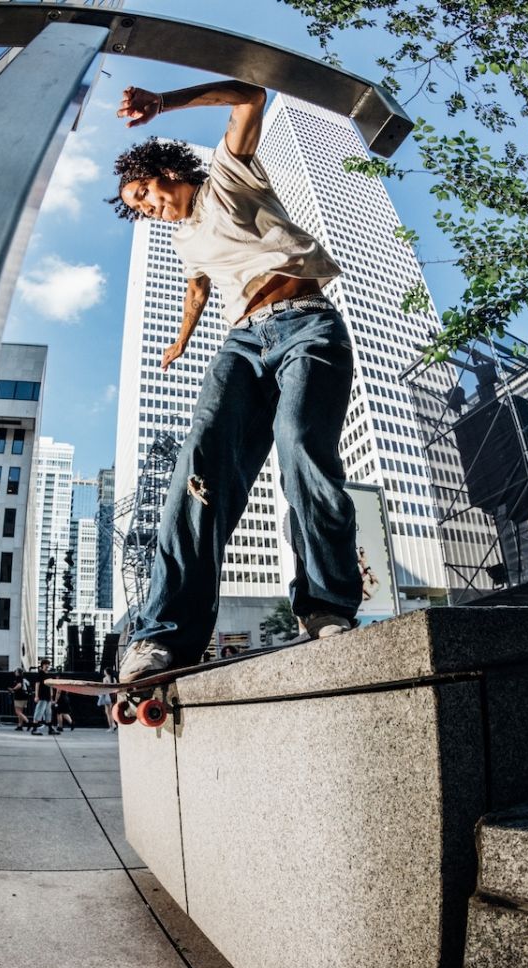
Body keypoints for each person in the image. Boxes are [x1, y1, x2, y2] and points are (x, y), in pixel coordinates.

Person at [110, 80, 362, 683]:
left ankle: (326, 606)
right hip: (243, 344)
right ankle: (163, 634)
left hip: (309, 327)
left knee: (302, 445)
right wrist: (181, 339)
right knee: (199, 469)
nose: (150, 207)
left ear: (167, 170)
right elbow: (199, 285)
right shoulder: (183, 239)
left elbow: (249, 94)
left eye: (147, 192)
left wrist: (162, 104)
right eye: (139, 207)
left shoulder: (228, 174)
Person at [30, 659, 59, 735]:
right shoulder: (41, 673)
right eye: (46, 664)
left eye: (48, 664)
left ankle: (50, 729)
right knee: (39, 712)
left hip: (48, 697)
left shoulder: (48, 674)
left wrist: (51, 697)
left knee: (48, 713)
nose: (47, 666)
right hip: (42, 696)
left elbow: (50, 687)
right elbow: (37, 684)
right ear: (42, 665)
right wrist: (36, 696)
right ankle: (34, 729)